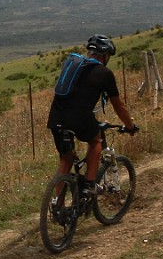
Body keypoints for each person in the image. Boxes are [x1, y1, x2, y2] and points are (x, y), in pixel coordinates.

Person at [47, 34, 138, 189]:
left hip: (56, 116)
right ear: (105, 55)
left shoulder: (73, 65)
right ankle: (89, 186)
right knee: (96, 141)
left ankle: (58, 208)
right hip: (79, 117)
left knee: (66, 160)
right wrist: (129, 126)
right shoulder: (104, 73)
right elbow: (118, 105)